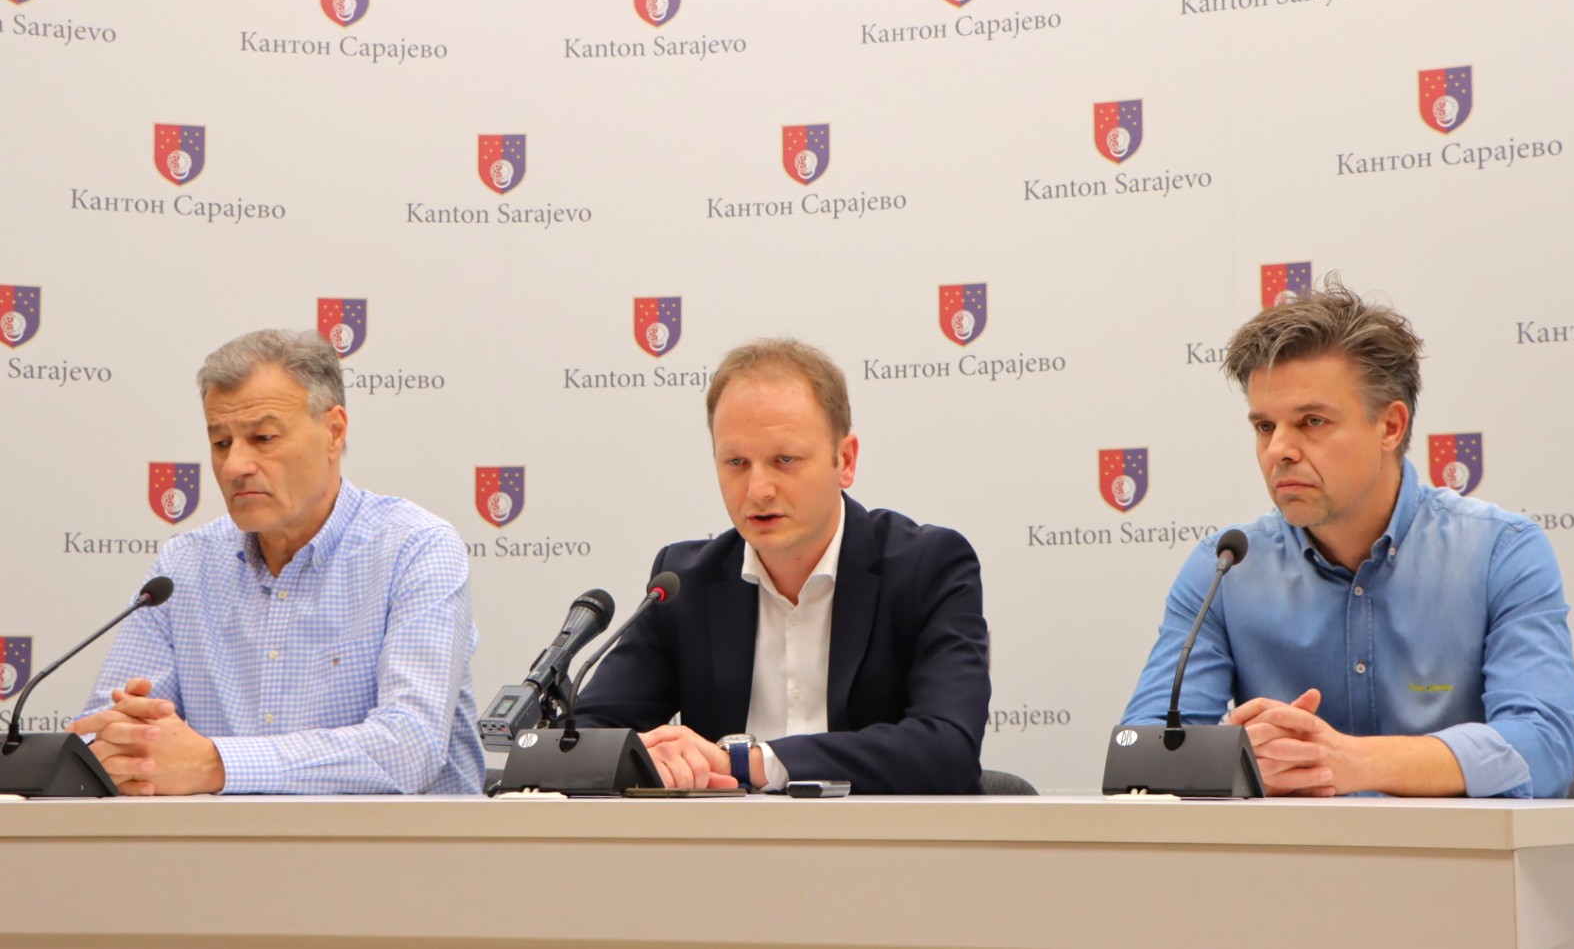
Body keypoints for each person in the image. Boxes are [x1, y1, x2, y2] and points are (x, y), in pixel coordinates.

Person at [1122, 280, 1574, 797]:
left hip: (1450, 850)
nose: (1279, 450)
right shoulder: (1225, 566)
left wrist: (1354, 762)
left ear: (1390, 426)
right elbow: (1142, 755)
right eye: (1264, 426)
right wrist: (1239, 762)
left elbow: (1543, 748)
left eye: (1312, 421)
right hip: (1287, 853)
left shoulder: (1501, 551)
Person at [72, 329, 482, 795]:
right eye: (221, 443)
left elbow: (410, 747)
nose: (234, 467)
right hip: (216, 843)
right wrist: (122, 745)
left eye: (262, 438)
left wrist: (215, 763)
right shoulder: (184, 564)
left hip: (391, 842)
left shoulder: (415, 548)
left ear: (334, 431)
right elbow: (99, 733)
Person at [575, 338, 990, 793]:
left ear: (845, 460)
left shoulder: (926, 568)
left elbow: (948, 749)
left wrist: (748, 762)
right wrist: (646, 755)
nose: (758, 490)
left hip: (881, 837)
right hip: (726, 839)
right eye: (736, 462)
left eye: (784, 460)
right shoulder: (685, 582)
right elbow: (585, 736)